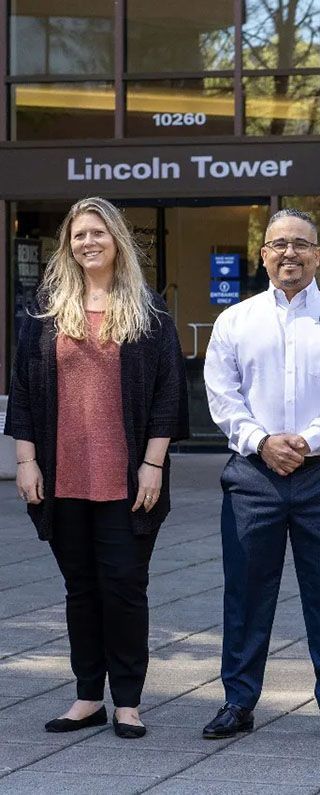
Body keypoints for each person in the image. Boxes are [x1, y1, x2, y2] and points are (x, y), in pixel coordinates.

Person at [4, 197, 189, 739]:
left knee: (125, 587)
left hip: (126, 481)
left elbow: (167, 394)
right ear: (69, 243)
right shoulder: (45, 310)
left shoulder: (148, 311)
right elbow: (24, 391)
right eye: (79, 234)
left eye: (98, 233)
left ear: (117, 242)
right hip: (62, 479)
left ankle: (127, 701)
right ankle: (88, 695)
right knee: (81, 589)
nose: (89, 242)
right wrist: (25, 459)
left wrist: (154, 463)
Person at [203, 208, 320, 743]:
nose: (288, 254)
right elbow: (221, 395)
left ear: (317, 255)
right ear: (263, 255)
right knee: (246, 593)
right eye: (278, 244)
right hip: (254, 476)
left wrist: (309, 441)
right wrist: (263, 441)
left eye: (300, 244)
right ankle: (238, 701)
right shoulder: (235, 320)